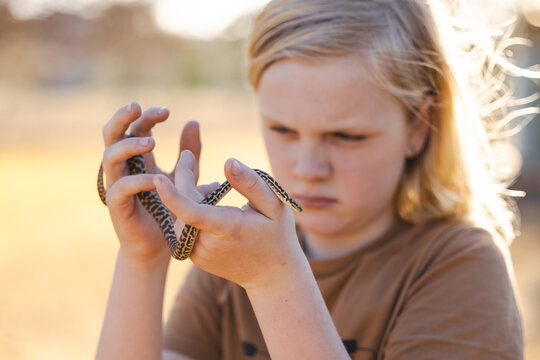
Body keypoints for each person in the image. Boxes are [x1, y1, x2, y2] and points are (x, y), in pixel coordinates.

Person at [96, 0, 530, 359]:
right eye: (283, 130)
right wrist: (144, 257)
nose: (307, 168)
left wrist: (275, 281)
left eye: (346, 136)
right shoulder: (232, 263)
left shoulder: (458, 267)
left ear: (419, 126)